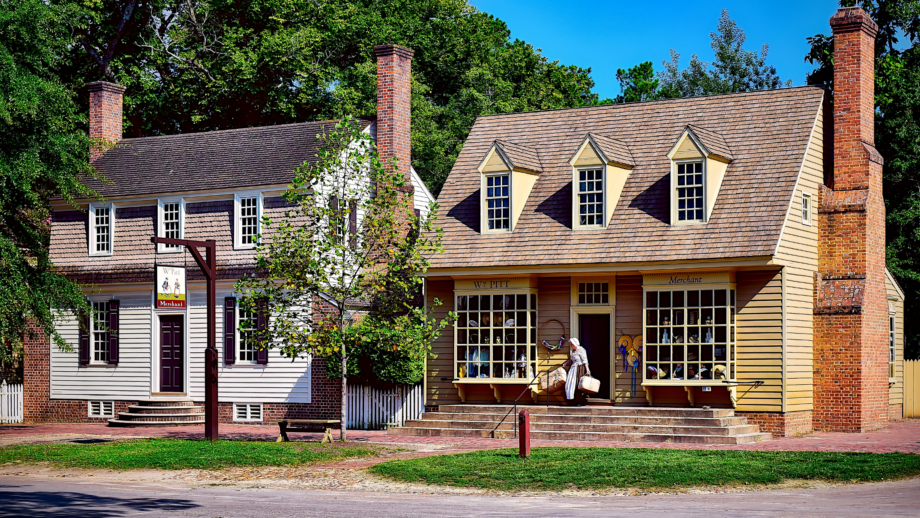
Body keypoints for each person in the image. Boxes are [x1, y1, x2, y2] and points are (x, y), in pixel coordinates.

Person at [564, 337, 591, 406]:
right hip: (573, 369)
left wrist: (587, 370)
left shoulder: (581, 350)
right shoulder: (573, 351)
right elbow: (572, 359)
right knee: (570, 384)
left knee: (577, 385)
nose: (571, 346)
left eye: (572, 344)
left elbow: (585, 360)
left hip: (579, 369)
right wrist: (566, 363)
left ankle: (579, 401)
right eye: (570, 344)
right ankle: (571, 400)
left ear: (575, 344)